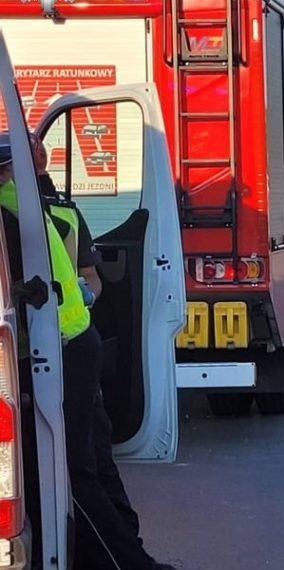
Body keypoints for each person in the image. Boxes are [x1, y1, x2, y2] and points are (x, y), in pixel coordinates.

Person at [0, 135, 174, 570]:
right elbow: (84, 280)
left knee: (67, 477)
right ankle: (130, 555)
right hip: (72, 342)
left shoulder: (11, 212)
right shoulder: (40, 206)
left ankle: (128, 564)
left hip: (50, 351)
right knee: (90, 467)